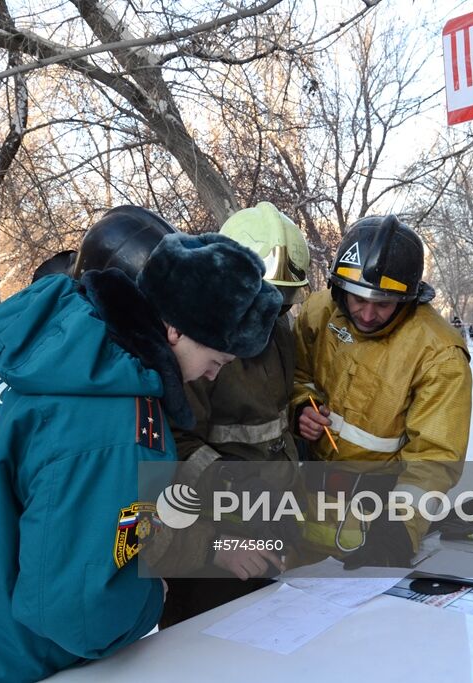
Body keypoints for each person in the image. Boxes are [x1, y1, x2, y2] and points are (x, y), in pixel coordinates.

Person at [0, 206, 283, 683]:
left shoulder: (25, 324)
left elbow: (68, 508)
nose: (211, 374)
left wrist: (202, 546)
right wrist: (150, 596)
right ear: (175, 328)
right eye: (217, 360)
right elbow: (77, 612)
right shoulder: (115, 425)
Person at [160, 201, 311, 628]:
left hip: (269, 525)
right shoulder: (198, 347)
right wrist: (230, 483)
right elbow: (176, 441)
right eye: (262, 299)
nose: (270, 314)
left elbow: (276, 416)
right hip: (213, 541)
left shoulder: (280, 332)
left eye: (283, 302)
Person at [293, 215, 472, 568]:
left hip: (374, 524)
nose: (367, 314)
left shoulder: (439, 354)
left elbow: (434, 459)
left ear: (408, 299)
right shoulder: (320, 311)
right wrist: (301, 407)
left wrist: (397, 534)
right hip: (302, 511)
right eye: (358, 299)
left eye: (383, 303)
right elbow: (297, 375)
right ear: (339, 288)